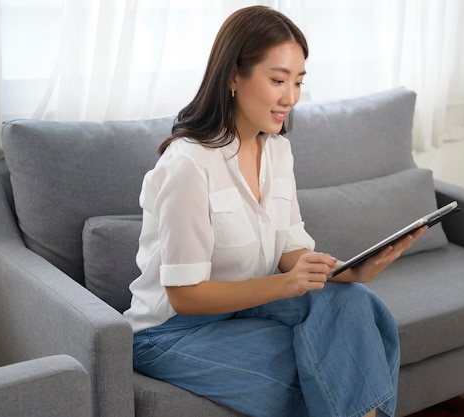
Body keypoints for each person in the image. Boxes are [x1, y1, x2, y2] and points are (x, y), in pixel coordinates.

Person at [123, 6, 426, 417]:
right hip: (172, 331)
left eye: (298, 82)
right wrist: (288, 285)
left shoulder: (278, 150)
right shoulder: (188, 165)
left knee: (356, 303)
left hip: (247, 306)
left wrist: (345, 270)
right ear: (234, 76)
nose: (290, 98)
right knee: (331, 364)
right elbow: (185, 294)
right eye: (278, 80)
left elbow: (289, 246)